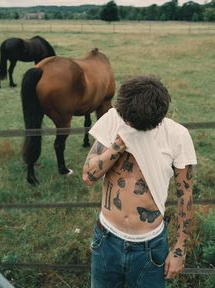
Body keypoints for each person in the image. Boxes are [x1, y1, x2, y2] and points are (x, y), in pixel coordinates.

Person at [82, 75, 197, 288]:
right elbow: (88, 176)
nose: (128, 125)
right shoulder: (114, 119)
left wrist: (180, 250)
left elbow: (185, 195)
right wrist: (119, 144)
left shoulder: (177, 136)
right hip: (106, 241)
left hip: (149, 249)